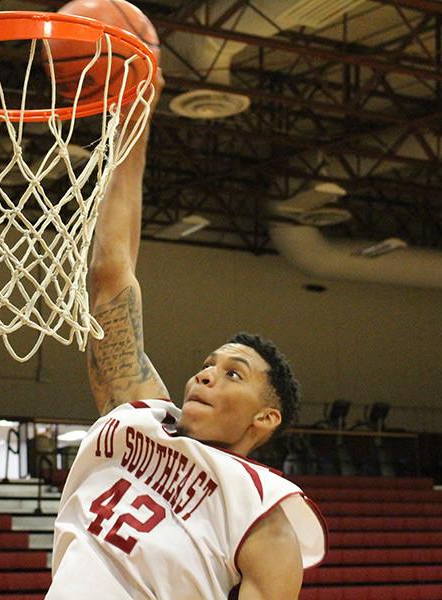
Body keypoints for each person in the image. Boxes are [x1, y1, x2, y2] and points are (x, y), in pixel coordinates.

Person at [47, 69, 326, 599]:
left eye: (232, 373)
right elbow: (111, 277)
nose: (206, 374)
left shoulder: (266, 517)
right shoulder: (142, 416)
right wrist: (131, 124)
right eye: (210, 363)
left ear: (266, 417)